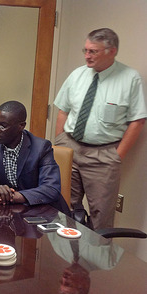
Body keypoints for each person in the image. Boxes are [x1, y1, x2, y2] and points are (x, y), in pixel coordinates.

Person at [54, 28, 146, 230]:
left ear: (111, 51)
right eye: (85, 50)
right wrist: (60, 144)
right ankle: (64, 258)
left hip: (103, 155)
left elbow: (137, 121)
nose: (87, 56)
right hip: (70, 148)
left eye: (93, 51)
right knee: (62, 207)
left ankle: (96, 261)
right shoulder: (77, 75)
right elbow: (63, 110)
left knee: (101, 216)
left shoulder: (130, 79)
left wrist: (117, 156)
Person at [0, 100, 69, 214]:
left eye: (3, 126)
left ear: (21, 126)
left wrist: (9, 197)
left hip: (40, 211)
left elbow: (51, 189)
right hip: (8, 212)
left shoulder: (41, 147)